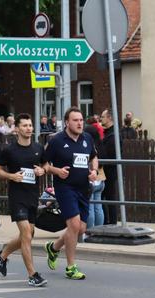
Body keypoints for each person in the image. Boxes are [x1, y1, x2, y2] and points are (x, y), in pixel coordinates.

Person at [43, 106, 99, 280]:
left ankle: (53, 248)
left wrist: (94, 171)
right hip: (65, 188)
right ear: (67, 122)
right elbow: (43, 164)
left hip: (83, 188)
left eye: (81, 120)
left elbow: (93, 157)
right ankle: (70, 267)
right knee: (74, 225)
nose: (80, 123)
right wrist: (56, 171)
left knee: (81, 228)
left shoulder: (87, 138)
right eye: (75, 120)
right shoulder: (57, 140)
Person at [0, 113, 47, 287]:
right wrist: (11, 176)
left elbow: (46, 164)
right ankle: (32, 275)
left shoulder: (38, 147)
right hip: (17, 197)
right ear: (16, 129)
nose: (28, 128)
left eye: (30, 125)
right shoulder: (10, 150)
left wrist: (42, 171)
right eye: (24, 126)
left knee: (28, 235)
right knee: (25, 233)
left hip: (32, 196)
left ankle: (2, 255)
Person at [84, 124, 105, 231]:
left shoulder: (88, 146)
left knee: (90, 207)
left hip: (91, 179)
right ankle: (99, 230)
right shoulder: (101, 145)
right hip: (100, 179)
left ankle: (90, 230)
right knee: (98, 206)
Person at [99, 108, 118, 225]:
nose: (101, 119)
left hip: (109, 170)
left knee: (109, 196)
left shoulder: (113, 135)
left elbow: (110, 153)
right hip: (106, 170)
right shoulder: (108, 133)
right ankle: (108, 221)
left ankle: (111, 222)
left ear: (109, 118)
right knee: (104, 196)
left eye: (103, 117)